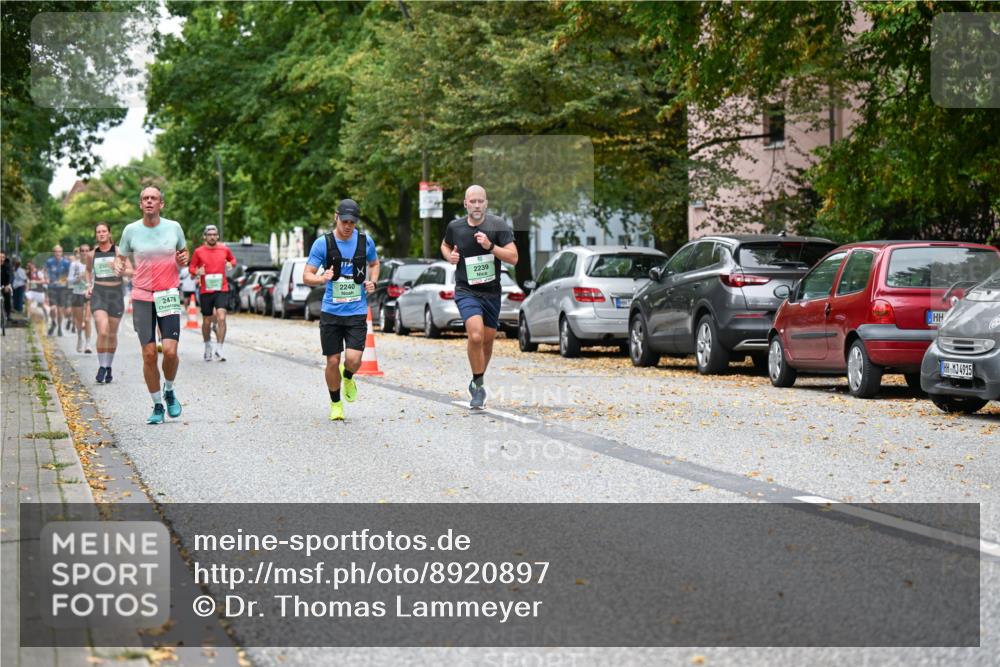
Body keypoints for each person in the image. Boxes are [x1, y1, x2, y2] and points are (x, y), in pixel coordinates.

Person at [440, 185, 518, 409]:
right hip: (466, 290)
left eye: (480, 201)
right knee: (475, 336)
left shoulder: (498, 225)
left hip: (491, 293)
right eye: (472, 201)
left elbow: (513, 258)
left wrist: (490, 246)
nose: (476, 205)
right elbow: (445, 245)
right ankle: (479, 385)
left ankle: (476, 380)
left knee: (487, 340)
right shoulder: (455, 227)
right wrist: (450, 256)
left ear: (486, 203)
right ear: (465, 203)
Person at [116, 186, 188, 425]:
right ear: (140, 204)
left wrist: (183, 258)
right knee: (148, 354)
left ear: (161, 204)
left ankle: (169, 389)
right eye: (145, 198)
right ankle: (157, 404)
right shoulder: (131, 230)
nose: (149, 201)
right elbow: (121, 258)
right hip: (142, 296)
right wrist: (121, 267)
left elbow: (183, 254)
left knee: (170, 351)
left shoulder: (174, 227)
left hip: (168, 294)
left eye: (153, 198)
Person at [303, 198, 379, 421]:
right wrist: (321, 278)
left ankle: (348, 376)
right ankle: (336, 404)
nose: (347, 226)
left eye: (352, 222)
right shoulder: (322, 243)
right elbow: (306, 276)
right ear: (336, 217)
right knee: (333, 361)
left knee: (353, 360)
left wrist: (373, 282)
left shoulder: (365, 241)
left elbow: (374, 264)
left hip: (356, 310)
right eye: (344, 221)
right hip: (331, 311)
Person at [188, 224, 235, 361]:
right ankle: (207, 345)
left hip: (221, 288)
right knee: (207, 321)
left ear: (218, 236)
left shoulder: (224, 249)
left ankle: (219, 349)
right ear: (205, 237)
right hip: (206, 290)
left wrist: (230, 264)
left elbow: (232, 260)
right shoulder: (199, 252)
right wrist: (197, 271)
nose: (212, 237)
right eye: (210, 235)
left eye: (214, 234)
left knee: (221, 317)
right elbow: (191, 267)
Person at [88, 222, 128, 383]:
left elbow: (132, 271)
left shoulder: (118, 252)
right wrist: (88, 286)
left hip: (115, 294)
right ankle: (102, 366)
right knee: (103, 332)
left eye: (104, 231)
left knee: (111, 334)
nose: (101, 234)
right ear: (96, 235)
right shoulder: (92, 254)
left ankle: (108, 365)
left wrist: (119, 268)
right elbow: (87, 271)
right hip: (99, 293)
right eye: (98, 232)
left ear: (110, 234)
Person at [68, 244, 93, 352]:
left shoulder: (93, 264)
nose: (84, 252)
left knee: (87, 319)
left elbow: (96, 279)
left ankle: (88, 344)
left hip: (89, 294)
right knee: (79, 320)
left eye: (87, 250)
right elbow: (69, 281)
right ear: (80, 252)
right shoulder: (74, 265)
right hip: (77, 293)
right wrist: (78, 278)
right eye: (82, 250)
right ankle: (79, 338)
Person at [44, 245, 71, 336]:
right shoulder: (49, 261)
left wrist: (62, 281)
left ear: (62, 252)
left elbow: (68, 274)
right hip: (52, 288)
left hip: (62, 288)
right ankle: (53, 322)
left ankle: (59, 327)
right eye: (56, 251)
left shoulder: (66, 262)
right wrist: (46, 278)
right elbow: (45, 271)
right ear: (53, 252)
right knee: (53, 308)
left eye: (59, 251)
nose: (57, 253)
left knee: (60, 310)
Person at [0, 252, 11, 320]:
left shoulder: (7, 266)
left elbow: (10, 276)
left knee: (7, 297)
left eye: (3, 257)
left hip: (5, 284)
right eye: (0, 257)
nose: (1, 259)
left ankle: (8, 314)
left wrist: (8, 285)